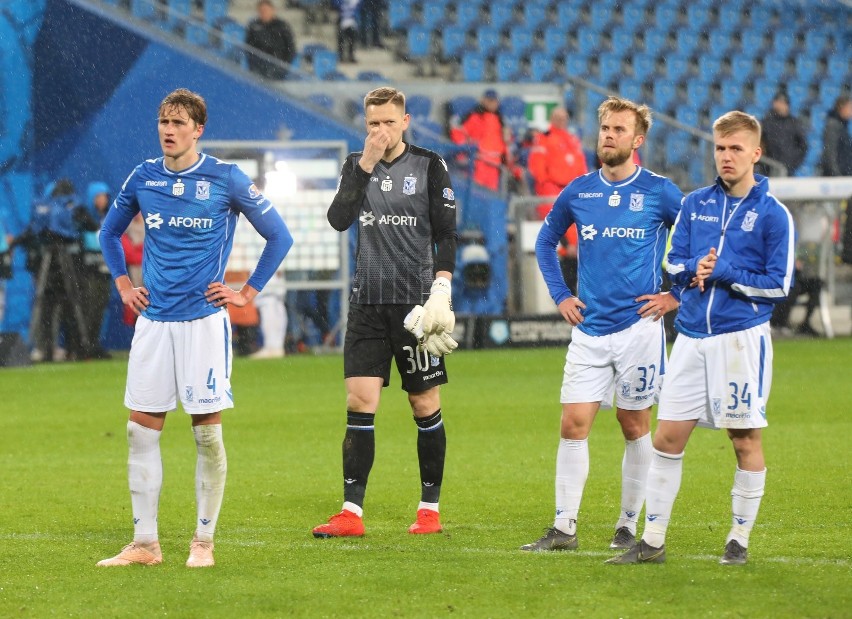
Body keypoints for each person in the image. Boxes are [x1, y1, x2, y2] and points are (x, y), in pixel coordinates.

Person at [95, 88, 293, 568]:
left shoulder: (225, 178)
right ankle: (145, 544)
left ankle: (202, 541)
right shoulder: (144, 176)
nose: (168, 130)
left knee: (205, 434)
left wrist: (246, 293)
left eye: (179, 123)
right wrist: (124, 285)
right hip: (154, 322)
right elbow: (108, 232)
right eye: (163, 121)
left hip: (203, 323)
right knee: (140, 431)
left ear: (198, 129)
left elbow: (279, 236)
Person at [607, 111, 795, 566]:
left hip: (740, 339)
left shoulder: (773, 213)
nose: (726, 157)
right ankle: (652, 542)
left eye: (735, 149)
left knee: (743, 437)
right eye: (720, 148)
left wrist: (726, 273)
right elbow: (674, 263)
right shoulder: (694, 204)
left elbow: (778, 284)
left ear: (756, 152)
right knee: (667, 438)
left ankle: (738, 539)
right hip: (690, 336)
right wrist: (694, 269)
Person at [522, 96, 684, 553]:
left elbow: (695, 235)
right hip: (589, 330)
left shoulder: (659, 191)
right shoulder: (578, 192)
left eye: (618, 130)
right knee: (573, 424)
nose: (608, 136)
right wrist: (560, 294)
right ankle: (563, 529)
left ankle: (627, 524)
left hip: (639, 330)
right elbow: (545, 242)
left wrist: (676, 293)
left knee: (635, 426)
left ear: (637, 140)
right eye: (604, 129)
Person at [312, 86, 459, 538]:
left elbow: (447, 232)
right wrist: (366, 165)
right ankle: (350, 513)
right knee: (359, 402)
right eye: (372, 123)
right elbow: (338, 219)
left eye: (388, 122)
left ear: (405, 122)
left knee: (423, 403)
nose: (380, 130)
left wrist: (442, 290)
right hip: (367, 303)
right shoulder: (355, 166)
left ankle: (429, 510)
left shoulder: (430, 165)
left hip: (416, 308)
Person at [18, 179, 91, 362]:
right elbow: (90, 225)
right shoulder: (73, 206)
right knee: (62, 308)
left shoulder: (53, 207)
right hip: (61, 266)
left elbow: (32, 231)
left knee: (59, 308)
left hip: (61, 266)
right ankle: (71, 350)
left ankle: (63, 349)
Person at [528, 106, 589, 290]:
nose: (562, 121)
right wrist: (547, 184)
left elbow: (581, 167)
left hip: (572, 190)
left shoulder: (572, 140)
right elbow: (538, 168)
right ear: (552, 119)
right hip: (553, 189)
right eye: (558, 118)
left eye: (564, 118)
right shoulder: (544, 138)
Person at [450, 89, 515, 192]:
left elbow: (506, 141)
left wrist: (507, 160)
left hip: (495, 165)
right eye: (490, 100)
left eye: (495, 101)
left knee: (491, 197)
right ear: (483, 100)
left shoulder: (500, 119)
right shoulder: (474, 116)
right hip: (479, 162)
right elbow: (457, 133)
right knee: (477, 194)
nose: (493, 104)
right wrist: (464, 153)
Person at [76, 182, 113, 359]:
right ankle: (84, 345)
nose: (102, 201)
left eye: (105, 197)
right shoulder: (82, 217)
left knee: (101, 307)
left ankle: (94, 343)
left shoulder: (108, 217)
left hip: (105, 270)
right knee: (89, 307)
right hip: (89, 271)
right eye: (98, 197)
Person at [820, 96, 852, 265]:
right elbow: (830, 155)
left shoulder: (841, 126)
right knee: (833, 220)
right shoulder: (833, 126)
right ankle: (832, 256)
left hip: (843, 180)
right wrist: (838, 177)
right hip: (835, 184)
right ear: (842, 107)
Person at [758, 92, 808, 176]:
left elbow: (803, 146)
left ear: (787, 105)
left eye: (782, 103)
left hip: (789, 170)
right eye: (778, 102)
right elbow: (759, 144)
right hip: (769, 168)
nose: (780, 105)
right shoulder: (766, 122)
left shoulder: (794, 123)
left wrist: (793, 164)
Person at [245, 0, 296, 80]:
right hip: (258, 66)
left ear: (272, 10)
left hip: (277, 66)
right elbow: (248, 47)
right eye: (261, 11)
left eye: (266, 10)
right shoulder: (254, 26)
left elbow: (291, 48)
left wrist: (283, 66)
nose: (264, 13)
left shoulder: (282, 26)